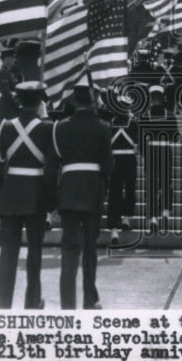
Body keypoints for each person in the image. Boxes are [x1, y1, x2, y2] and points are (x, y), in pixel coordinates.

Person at [0, 80, 53, 310]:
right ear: (39, 102)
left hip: (10, 194)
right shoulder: (48, 128)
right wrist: (49, 201)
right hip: (36, 194)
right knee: (34, 252)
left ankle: (3, 304)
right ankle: (33, 301)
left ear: (18, 100)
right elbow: (51, 169)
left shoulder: (5, 127)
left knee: (7, 252)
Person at [52, 83, 113, 309]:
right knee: (89, 248)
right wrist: (101, 185)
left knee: (69, 248)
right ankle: (90, 299)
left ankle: (67, 303)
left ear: (74, 102)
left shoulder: (60, 127)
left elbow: (56, 160)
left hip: (68, 189)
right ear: (92, 102)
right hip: (92, 189)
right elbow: (108, 164)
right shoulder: (103, 127)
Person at [140, 85, 178, 232]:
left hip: (151, 152)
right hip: (165, 151)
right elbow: (175, 136)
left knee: (151, 186)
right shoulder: (170, 115)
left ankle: (153, 218)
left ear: (150, 98)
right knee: (166, 183)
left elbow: (141, 138)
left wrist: (145, 154)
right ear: (162, 98)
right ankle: (165, 213)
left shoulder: (144, 115)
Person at [104, 92, 137, 246]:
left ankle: (114, 230)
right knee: (129, 190)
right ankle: (126, 218)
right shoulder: (134, 122)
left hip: (115, 160)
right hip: (129, 159)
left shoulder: (110, 123)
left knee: (115, 193)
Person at [0, 47, 22, 120]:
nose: (14, 60)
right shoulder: (2, 73)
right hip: (7, 109)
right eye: (12, 57)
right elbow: (6, 93)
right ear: (6, 59)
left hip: (11, 108)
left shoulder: (9, 73)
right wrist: (18, 105)